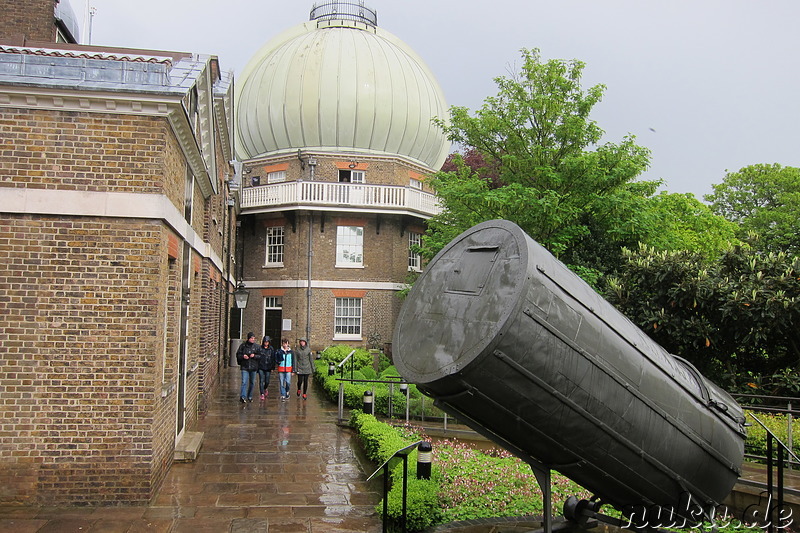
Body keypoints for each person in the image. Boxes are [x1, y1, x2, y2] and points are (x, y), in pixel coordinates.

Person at [235, 332, 258, 403]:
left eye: (254, 338)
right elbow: (238, 355)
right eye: (251, 338)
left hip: (253, 367)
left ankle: (250, 396)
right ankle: (243, 396)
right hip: (245, 366)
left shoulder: (257, 347)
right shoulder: (243, 346)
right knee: (244, 382)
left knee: (252, 383)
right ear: (248, 338)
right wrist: (243, 356)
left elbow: (260, 356)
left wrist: (255, 356)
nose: (253, 339)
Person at [256, 335, 276, 400]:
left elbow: (273, 358)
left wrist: (273, 367)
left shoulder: (271, 349)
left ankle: (265, 388)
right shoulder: (260, 348)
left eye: (267, 342)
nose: (266, 343)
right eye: (265, 342)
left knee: (267, 381)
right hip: (261, 366)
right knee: (261, 380)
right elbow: (257, 357)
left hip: (268, 366)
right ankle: (261, 393)